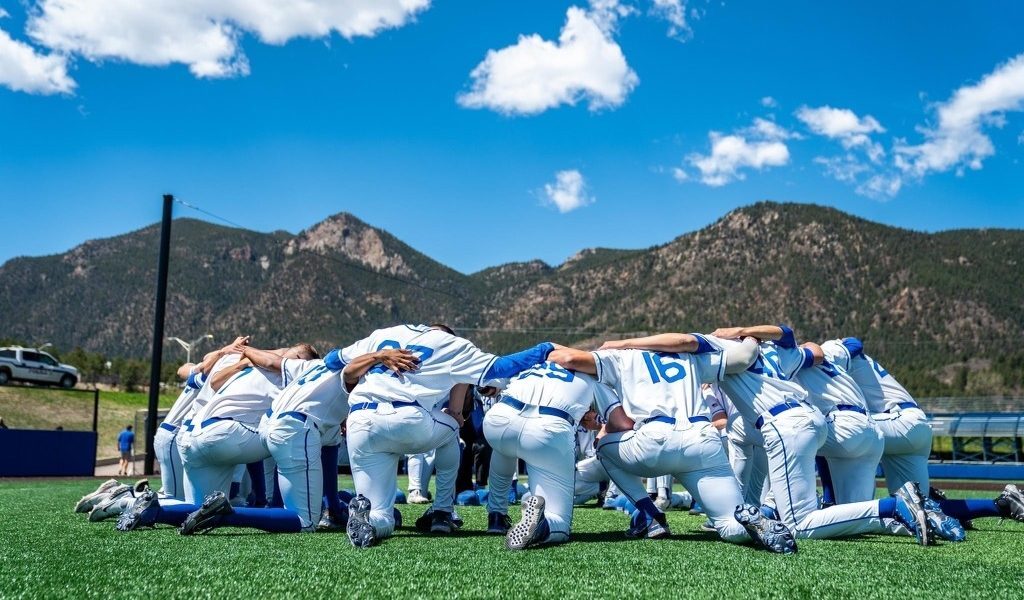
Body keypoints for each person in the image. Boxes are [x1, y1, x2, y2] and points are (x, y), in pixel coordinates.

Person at [699, 324, 959, 544]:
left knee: (767, 442)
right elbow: (816, 347)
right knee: (849, 521)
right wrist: (747, 331)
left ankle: (894, 505)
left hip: (835, 424)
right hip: (870, 430)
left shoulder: (755, 358)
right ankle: (924, 514)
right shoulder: (790, 354)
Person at [549, 334, 797, 553]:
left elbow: (569, 359)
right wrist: (751, 337)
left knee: (602, 446)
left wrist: (545, 353)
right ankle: (751, 522)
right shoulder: (691, 358)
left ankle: (650, 515)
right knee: (729, 524)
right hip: (702, 440)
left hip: (654, 441)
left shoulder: (621, 357)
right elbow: (744, 358)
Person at [340, 323, 555, 548]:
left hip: (360, 420)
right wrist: (545, 349)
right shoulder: (451, 345)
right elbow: (500, 368)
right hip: (406, 417)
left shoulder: (386, 334)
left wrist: (376, 357)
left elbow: (340, 366)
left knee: (380, 512)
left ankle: (369, 520)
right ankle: (443, 511)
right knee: (452, 426)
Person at [167, 345, 417, 535]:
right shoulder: (343, 375)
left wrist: (244, 350)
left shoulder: (305, 368)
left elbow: (271, 360)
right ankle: (229, 514)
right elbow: (348, 371)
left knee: (195, 507)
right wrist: (380, 356)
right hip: (290, 428)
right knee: (304, 520)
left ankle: (150, 509)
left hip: (211, 432)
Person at [822, 337, 1024, 526]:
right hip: (913, 426)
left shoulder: (824, 353)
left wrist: (817, 353)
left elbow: (853, 343)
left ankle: (829, 501)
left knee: (824, 432)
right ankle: (1002, 504)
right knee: (921, 508)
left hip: (897, 420)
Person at [480, 360, 610, 550]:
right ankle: (544, 524)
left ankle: (496, 515)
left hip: (500, 418)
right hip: (548, 429)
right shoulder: (592, 375)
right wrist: (597, 424)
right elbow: (617, 418)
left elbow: (486, 386)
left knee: (504, 448)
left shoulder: (531, 365)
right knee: (560, 522)